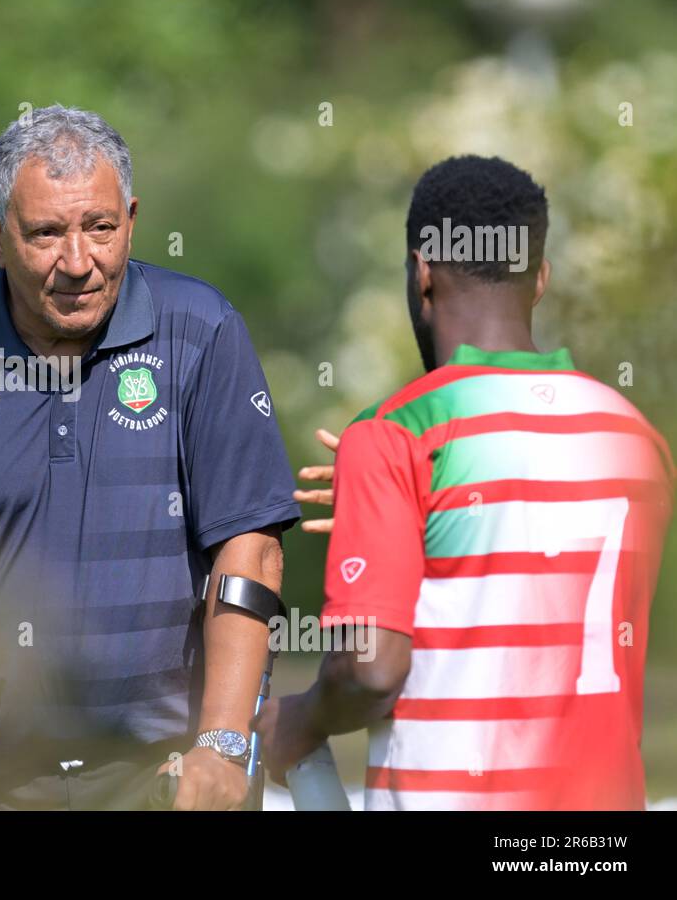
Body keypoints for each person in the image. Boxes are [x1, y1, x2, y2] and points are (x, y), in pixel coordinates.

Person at [0, 105, 300, 810]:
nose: (78, 262)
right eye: (45, 233)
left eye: (100, 227)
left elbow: (249, 550)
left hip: (165, 789)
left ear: (130, 218)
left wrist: (223, 745)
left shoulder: (203, 332)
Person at [255, 155, 673, 809]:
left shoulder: (399, 432)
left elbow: (371, 672)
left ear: (422, 272)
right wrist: (402, 518)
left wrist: (302, 717)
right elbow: (536, 555)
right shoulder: (635, 438)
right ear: (540, 279)